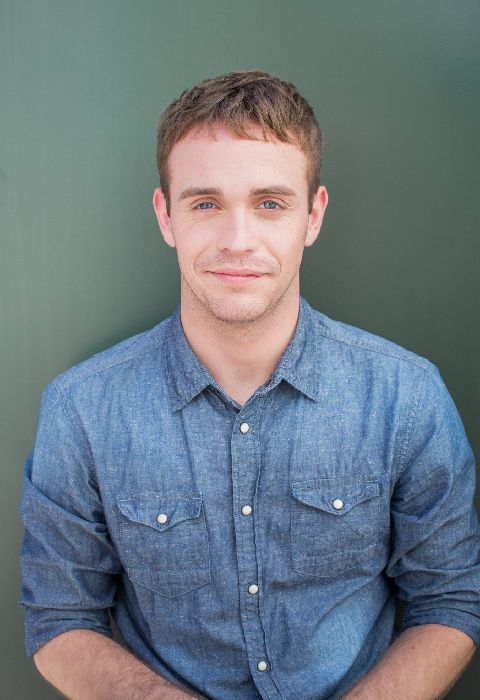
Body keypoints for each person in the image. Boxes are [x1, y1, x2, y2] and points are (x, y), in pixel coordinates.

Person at [20, 70, 479, 700]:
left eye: (270, 203)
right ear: (166, 216)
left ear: (313, 215)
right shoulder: (80, 409)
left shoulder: (407, 396)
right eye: (205, 204)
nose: (238, 241)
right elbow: (60, 616)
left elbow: (450, 597)